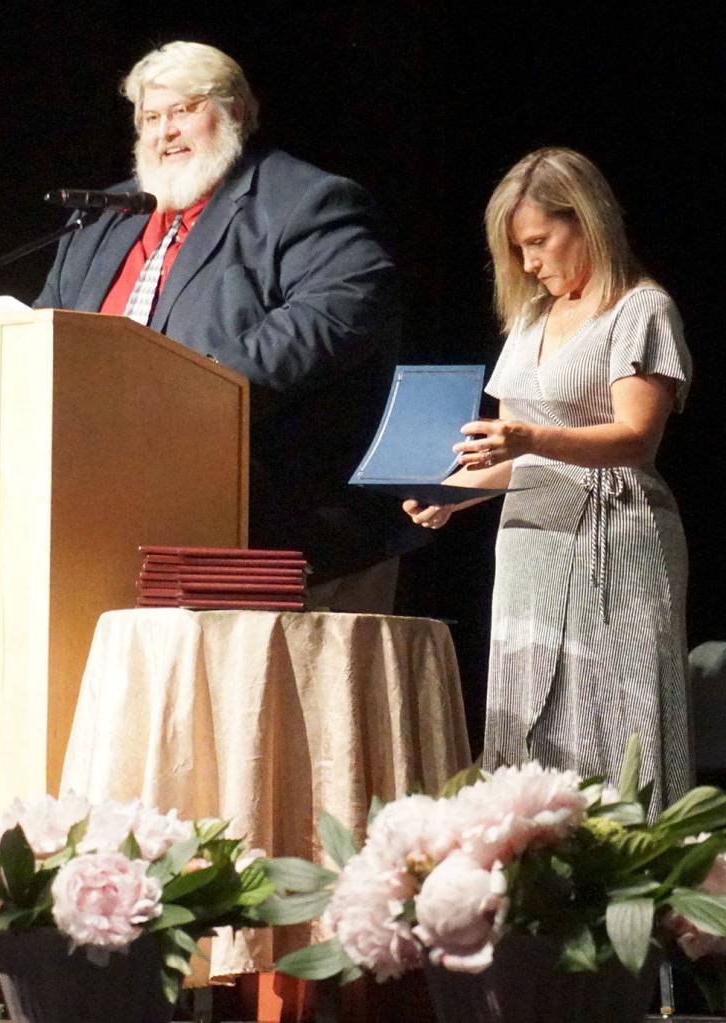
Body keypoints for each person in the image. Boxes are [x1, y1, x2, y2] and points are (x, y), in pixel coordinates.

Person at [35, 41, 411, 610]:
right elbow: (48, 331)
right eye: (151, 117)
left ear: (235, 110)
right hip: (99, 512)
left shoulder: (304, 200)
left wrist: (197, 386)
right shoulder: (102, 218)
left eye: (184, 110)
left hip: (268, 520)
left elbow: (341, 309)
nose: (165, 132)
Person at [403, 147, 691, 811]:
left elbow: (634, 437)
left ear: (585, 221)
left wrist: (531, 438)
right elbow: (514, 451)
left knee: (614, 718)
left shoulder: (639, 310)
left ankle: (636, 893)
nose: (529, 263)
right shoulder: (531, 317)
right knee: (528, 716)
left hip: (612, 540)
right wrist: (453, 495)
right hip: (532, 541)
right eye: (517, 249)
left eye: (537, 241)